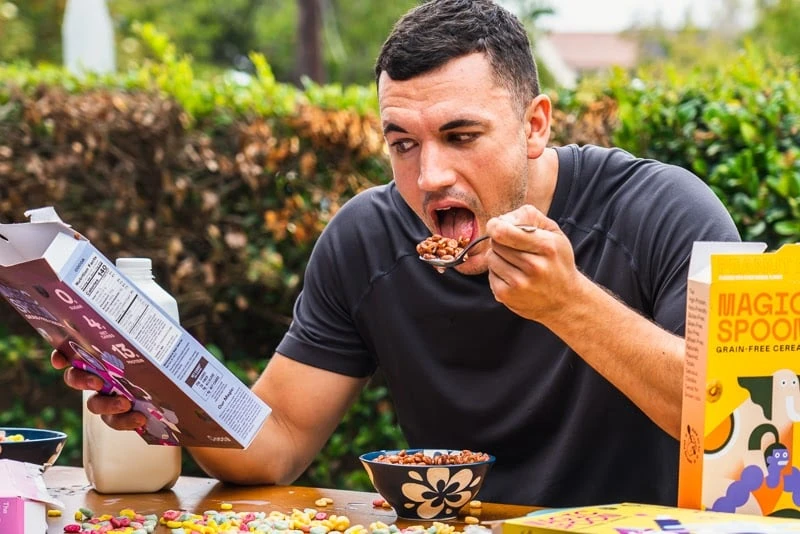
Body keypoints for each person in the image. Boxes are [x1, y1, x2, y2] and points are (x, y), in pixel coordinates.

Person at [53, 0, 741, 508]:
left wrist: (570, 306)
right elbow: (278, 440)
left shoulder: (661, 211)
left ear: (535, 126)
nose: (430, 176)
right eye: (403, 144)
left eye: (461, 136)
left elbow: (734, 428)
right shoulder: (368, 239)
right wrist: (162, 392)